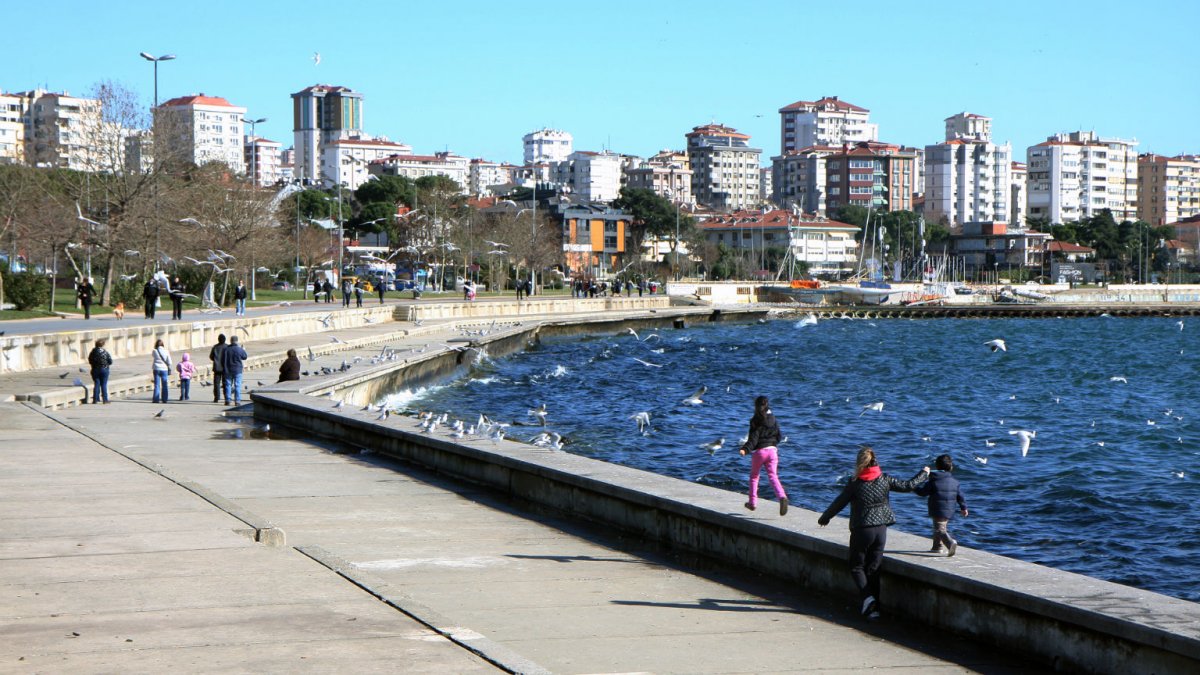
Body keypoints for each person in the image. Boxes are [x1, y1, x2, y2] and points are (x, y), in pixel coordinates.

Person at [818, 447, 929, 621]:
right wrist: (924, 473)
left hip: (862, 529)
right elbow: (908, 486)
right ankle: (874, 609)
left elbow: (839, 502)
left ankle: (867, 598)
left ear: (859, 463)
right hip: (881, 530)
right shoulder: (884, 479)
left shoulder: (855, 483)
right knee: (873, 569)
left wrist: (825, 517)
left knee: (856, 566)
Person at [738, 396, 789, 515]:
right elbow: (779, 436)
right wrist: (772, 445)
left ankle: (752, 503)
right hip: (772, 451)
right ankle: (782, 496)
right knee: (773, 476)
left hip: (759, 453)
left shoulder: (756, 420)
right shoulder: (773, 419)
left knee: (754, 477)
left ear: (756, 406)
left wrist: (745, 449)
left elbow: (753, 439)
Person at [914, 454, 969, 556]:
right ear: (950, 467)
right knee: (940, 527)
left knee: (939, 529)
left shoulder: (933, 480)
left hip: (937, 508)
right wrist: (963, 507)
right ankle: (937, 547)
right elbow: (960, 495)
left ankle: (950, 543)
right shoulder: (955, 481)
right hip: (950, 509)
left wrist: (914, 487)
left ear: (937, 466)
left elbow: (923, 492)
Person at [220, 335, 248, 405]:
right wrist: (243, 350)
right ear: (237, 341)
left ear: (230, 341)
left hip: (227, 370)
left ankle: (227, 400)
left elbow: (222, 360)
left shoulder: (226, 349)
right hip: (237, 370)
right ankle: (237, 401)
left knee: (228, 385)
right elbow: (244, 357)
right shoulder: (239, 349)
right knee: (237, 385)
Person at [87, 338, 112, 404]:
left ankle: (95, 399)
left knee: (97, 384)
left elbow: (90, 360)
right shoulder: (105, 352)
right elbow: (110, 361)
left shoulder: (92, 352)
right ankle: (105, 399)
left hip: (95, 369)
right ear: (103, 345)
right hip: (104, 369)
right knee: (104, 384)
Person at [151, 338, 172, 404]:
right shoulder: (166, 351)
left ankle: (156, 399)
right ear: (163, 344)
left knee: (157, 385)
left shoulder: (154, 351)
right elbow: (169, 362)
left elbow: (153, 356)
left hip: (156, 369)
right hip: (164, 369)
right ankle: (164, 399)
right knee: (164, 385)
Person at [209, 334, 228, 403]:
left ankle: (216, 397)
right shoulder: (227, 347)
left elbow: (211, 357)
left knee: (216, 383)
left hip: (217, 368)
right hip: (225, 368)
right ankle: (226, 397)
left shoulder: (215, 347)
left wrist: (216, 360)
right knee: (225, 383)